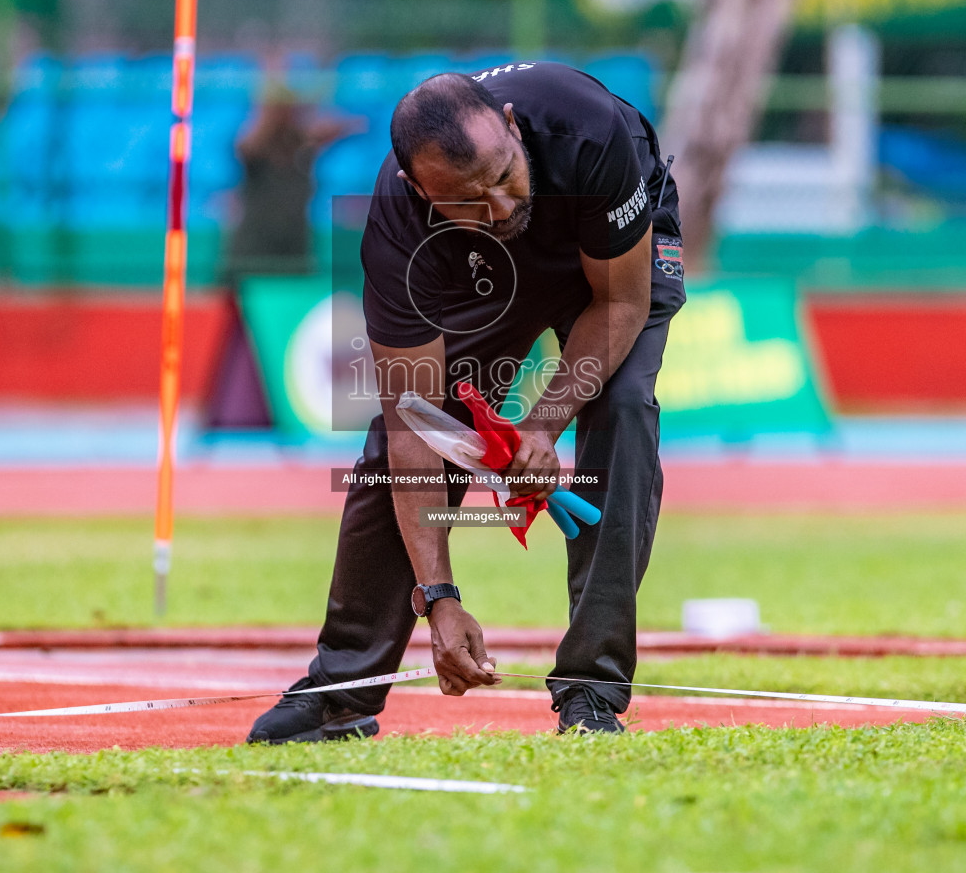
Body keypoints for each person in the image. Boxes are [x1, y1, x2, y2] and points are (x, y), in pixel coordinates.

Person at [246, 61, 685, 743]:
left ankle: (591, 694)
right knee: (398, 446)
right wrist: (440, 600)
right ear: (418, 190)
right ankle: (341, 692)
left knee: (622, 407)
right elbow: (415, 430)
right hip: (482, 270)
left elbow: (620, 302)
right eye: (471, 200)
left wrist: (543, 423)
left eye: (504, 175)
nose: (503, 208)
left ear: (512, 128)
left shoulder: (588, 131)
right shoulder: (399, 230)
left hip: (611, 250)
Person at [220, 82, 359, 284]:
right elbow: (246, 145)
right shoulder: (255, 150)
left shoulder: (302, 147)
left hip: (293, 251)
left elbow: (332, 128)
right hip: (252, 254)